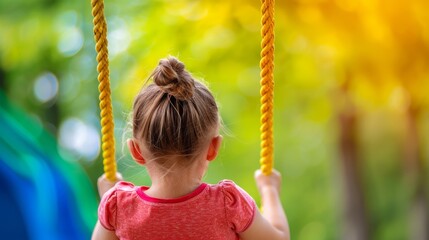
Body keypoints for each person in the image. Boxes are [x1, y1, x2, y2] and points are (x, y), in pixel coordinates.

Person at [92, 56, 290, 240]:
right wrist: (269, 190)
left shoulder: (118, 206)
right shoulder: (229, 204)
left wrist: (108, 202)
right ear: (213, 148)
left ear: (136, 151)